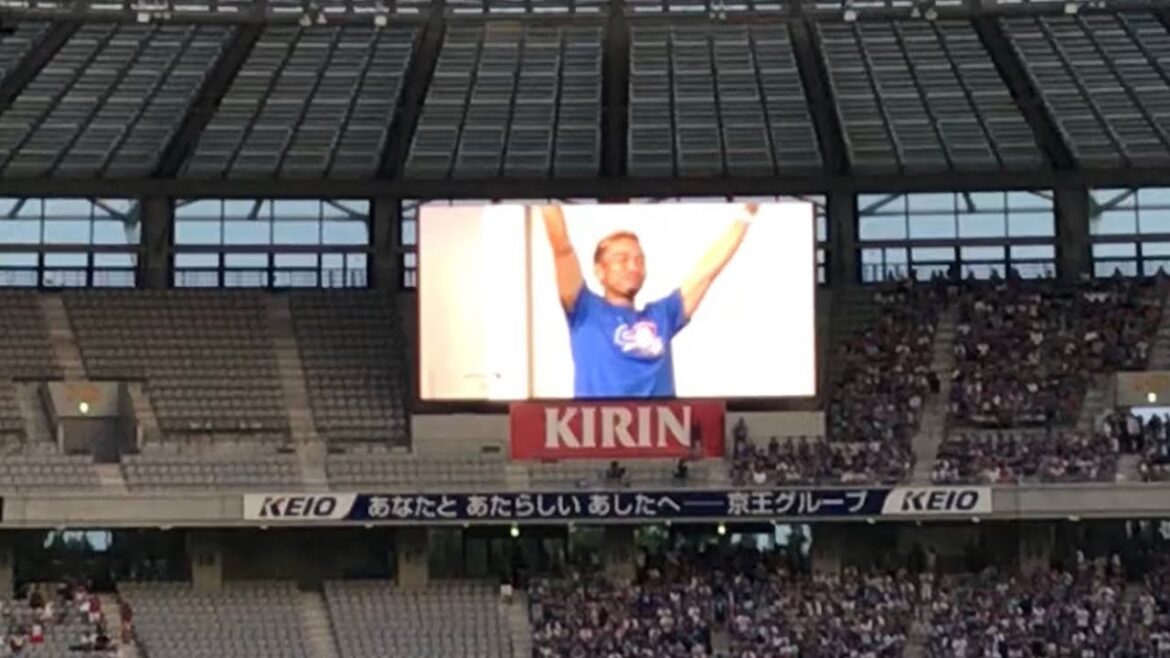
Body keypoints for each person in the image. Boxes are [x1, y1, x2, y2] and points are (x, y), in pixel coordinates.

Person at [541, 203, 759, 398]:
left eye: (639, 260)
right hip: (596, 429)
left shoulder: (661, 315)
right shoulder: (584, 309)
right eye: (622, 259)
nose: (633, 267)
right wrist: (542, 190)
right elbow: (561, 247)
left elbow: (707, 272)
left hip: (660, 429)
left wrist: (747, 213)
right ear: (600, 271)